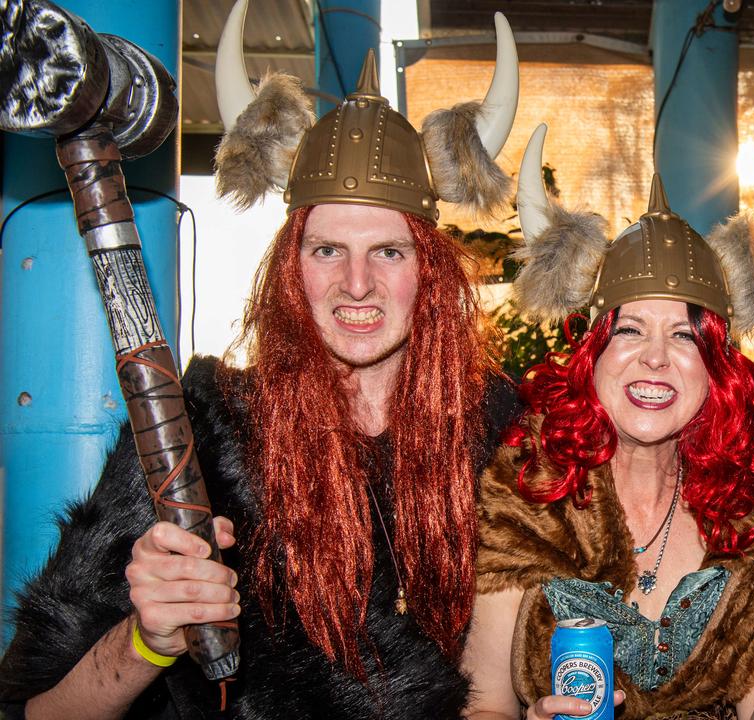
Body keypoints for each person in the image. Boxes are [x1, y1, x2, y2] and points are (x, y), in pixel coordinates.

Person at [0, 21, 523, 718]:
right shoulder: (201, 433)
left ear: (429, 270)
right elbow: (39, 710)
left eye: (389, 253)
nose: (357, 284)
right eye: (328, 250)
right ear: (289, 269)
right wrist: (149, 640)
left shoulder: (505, 435)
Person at [462, 123, 754, 719]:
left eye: (683, 335)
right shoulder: (527, 493)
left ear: (713, 372)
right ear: (592, 356)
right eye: (630, 330)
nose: (655, 357)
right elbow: (483, 705)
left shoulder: (733, 510)